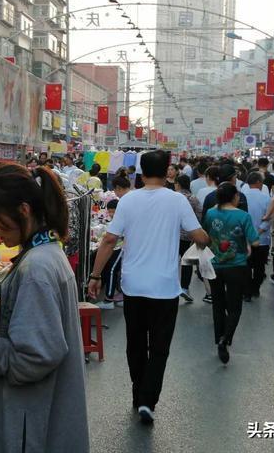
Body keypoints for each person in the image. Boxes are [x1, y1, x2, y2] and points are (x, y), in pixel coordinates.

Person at [0, 165, 89, 452]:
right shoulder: (45, 254)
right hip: (40, 415)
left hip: (32, 424)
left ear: (23, 210)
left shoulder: (37, 268)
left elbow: (33, 358)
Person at [89, 150, 209, 424]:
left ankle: (137, 392)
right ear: (168, 172)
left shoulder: (129, 200)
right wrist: (208, 238)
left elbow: (108, 240)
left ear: (141, 173)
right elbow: (198, 236)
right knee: (159, 348)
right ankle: (148, 400)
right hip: (165, 287)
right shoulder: (177, 201)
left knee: (135, 343)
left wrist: (95, 276)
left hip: (133, 285)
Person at [203, 183, 259, 364]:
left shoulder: (211, 213)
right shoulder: (243, 216)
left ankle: (218, 336)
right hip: (237, 265)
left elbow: (205, 234)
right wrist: (247, 246)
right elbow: (255, 242)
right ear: (234, 197)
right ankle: (225, 339)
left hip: (215, 265)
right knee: (235, 306)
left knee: (218, 304)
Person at [243, 172, 271, 300]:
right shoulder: (266, 198)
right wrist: (259, 231)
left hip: (245, 239)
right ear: (259, 182)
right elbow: (269, 218)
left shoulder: (241, 197)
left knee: (246, 265)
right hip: (262, 239)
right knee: (260, 267)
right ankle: (255, 289)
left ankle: (247, 292)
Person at [175, 174, 202, 303]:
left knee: (172, 261)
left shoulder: (173, 198)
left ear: (178, 184)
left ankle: (171, 286)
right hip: (189, 236)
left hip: (173, 236)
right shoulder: (193, 199)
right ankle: (185, 288)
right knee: (187, 262)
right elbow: (199, 216)